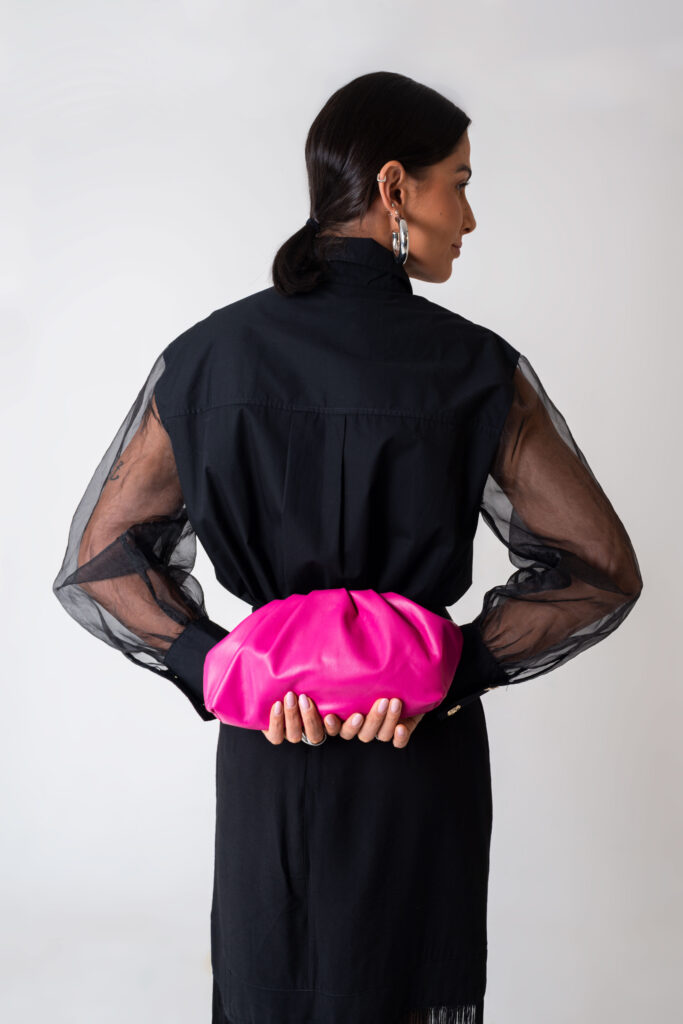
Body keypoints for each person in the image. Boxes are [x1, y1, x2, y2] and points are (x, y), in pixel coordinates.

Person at [52, 71, 643, 1024]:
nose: (470, 217)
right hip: (421, 758)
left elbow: (103, 559)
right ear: (395, 186)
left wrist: (224, 669)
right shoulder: (472, 365)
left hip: (269, 754)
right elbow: (599, 567)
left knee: (272, 988)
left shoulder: (209, 356)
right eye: (460, 183)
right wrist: (440, 670)